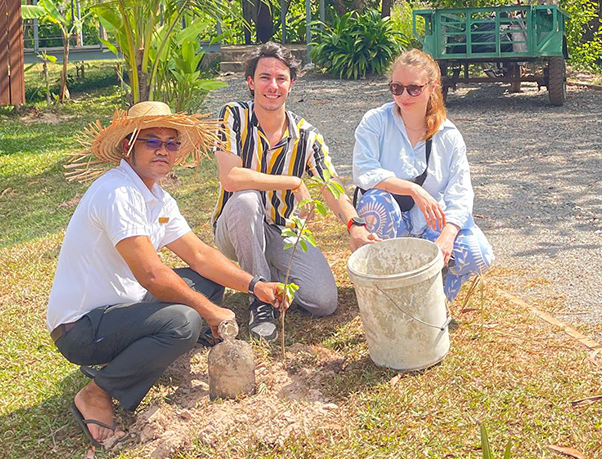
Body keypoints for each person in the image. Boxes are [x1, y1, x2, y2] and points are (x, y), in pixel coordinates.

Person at [47, 101, 289, 449]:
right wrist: (210, 313)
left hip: (123, 307)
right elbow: (151, 275)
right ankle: (97, 392)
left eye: (171, 143)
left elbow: (201, 255)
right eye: (152, 141)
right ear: (129, 145)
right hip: (81, 328)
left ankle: (168, 344)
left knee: (205, 281)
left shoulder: (156, 197)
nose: (164, 150)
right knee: (184, 321)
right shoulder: (118, 192)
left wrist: (256, 285)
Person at [213, 42, 379, 341]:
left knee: (323, 301)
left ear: (292, 84)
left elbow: (330, 186)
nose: (272, 85)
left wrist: (355, 226)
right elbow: (231, 178)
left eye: (281, 78)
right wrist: (292, 182)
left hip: (281, 230)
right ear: (250, 82)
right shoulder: (233, 116)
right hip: (234, 225)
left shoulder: (307, 135)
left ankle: (271, 274)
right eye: (264, 77)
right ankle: (260, 302)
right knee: (247, 201)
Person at [351, 49, 494, 300]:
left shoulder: (448, 135)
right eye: (397, 88)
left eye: (413, 88)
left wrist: (448, 236)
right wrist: (413, 189)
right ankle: (385, 292)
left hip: (428, 220)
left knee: (478, 255)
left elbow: (460, 193)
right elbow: (364, 171)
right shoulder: (376, 121)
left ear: (432, 87)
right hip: (389, 217)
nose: (404, 96)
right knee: (376, 203)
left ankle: (435, 299)